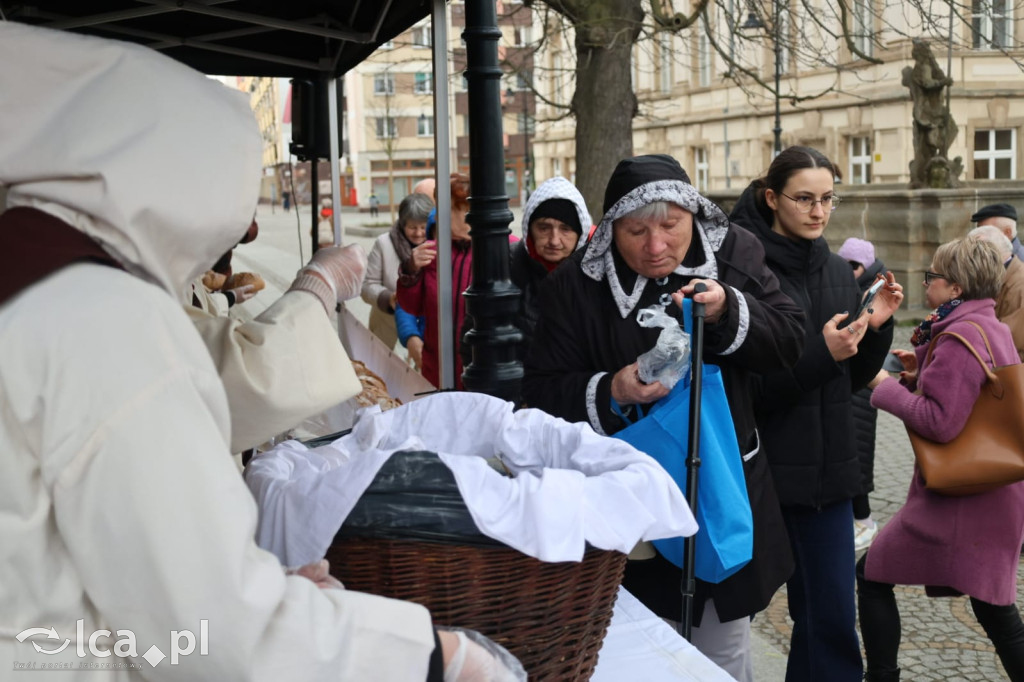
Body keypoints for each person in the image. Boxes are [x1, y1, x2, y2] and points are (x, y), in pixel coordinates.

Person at [0, 22, 520, 682]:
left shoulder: (39, 282)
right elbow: (216, 630)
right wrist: (429, 655)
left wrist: (269, 597)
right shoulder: (99, 314)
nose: (245, 225)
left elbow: (75, 572)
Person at [523, 154, 806, 681]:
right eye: (636, 231)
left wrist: (728, 310)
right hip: (621, 503)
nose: (656, 247)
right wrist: (611, 388)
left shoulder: (735, 254)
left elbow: (790, 339)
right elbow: (538, 395)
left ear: (692, 216)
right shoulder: (574, 286)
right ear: (610, 230)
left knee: (719, 653)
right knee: (632, 647)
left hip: (720, 488)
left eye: (671, 227)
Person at [729, 146, 903, 682]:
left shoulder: (834, 269)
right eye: (804, 199)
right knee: (735, 617)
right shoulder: (744, 272)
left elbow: (847, 380)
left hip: (828, 482)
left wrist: (875, 331)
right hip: (761, 479)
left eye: (827, 199)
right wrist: (820, 355)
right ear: (772, 197)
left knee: (830, 625)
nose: (818, 211)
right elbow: (749, 390)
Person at [859, 237, 1024, 682]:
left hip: (960, 501)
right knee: (993, 606)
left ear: (955, 289)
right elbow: (974, 395)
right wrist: (922, 371)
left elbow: (940, 422)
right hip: (990, 492)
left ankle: (882, 677)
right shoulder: (990, 325)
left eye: (932, 277)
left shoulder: (960, 335)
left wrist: (884, 386)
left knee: (871, 574)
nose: (926, 283)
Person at [396, 173, 476, 389]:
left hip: (482, 374)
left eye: (451, 210)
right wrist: (410, 269)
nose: (440, 216)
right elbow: (411, 306)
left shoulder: (504, 248)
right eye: (442, 209)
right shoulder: (432, 251)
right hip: (437, 371)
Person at [837, 237, 887, 551]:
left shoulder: (873, 292)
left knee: (858, 455)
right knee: (852, 453)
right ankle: (859, 518)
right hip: (850, 385)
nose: (849, 271)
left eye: (853, 266)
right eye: (845, 265)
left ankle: (864, 521)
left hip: (862, 386)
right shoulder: (852, 286)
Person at [511, 176, 591, 356]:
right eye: (544, 228)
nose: (554, 240)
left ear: (580, 233)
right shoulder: (507, 264)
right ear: (529, 229)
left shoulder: (599, 273)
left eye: (566, 229)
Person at [361, 192, 433, 350]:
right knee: (379, 367)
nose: (419, 233)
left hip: (427, 324)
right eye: (412, 227)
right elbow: (367, 285)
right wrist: (387, 298)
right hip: (386, 320)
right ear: (402, 223)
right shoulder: (384, 243)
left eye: (423, 227)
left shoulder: (439, 244)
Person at [969, 224, 1024, 359]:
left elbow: (1009, 338)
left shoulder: (1019, 283)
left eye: (974, 252)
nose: (968, 261)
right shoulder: (998, 275)